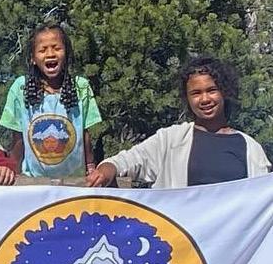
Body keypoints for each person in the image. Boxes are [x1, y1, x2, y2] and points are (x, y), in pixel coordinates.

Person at [90, 56, 271, 188]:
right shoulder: (171, 140)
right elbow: (125, 162)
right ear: (187, 98)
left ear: (224, 92)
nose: (205, 99)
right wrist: (105, 171)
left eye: (211, 90)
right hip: (178, 231)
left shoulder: (250, 148)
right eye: (196, 93)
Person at [0, 24, 104, 179]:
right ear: (33, 58)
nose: (50, 54)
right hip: (34, 180)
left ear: (66, 54)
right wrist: (14, 170)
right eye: (42, 50)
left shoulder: (81, 87)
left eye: (56, 48)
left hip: (75, 180)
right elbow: (18, 137)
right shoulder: (20, 88)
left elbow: (85, 133)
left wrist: (90, 167)